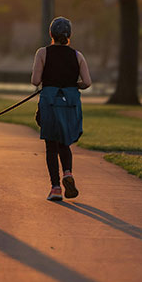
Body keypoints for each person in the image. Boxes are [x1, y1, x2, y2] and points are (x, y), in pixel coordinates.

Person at [31, 17, 92, 201]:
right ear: (69, 35)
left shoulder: (43, 53)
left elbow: (35, 81)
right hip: (69, 104)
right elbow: (87, 82)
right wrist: (73, 86)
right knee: (64, 142)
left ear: (51, 34)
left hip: (50, 102)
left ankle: (56, 187)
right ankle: (67, 173)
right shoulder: (77, 55)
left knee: (51, 145)